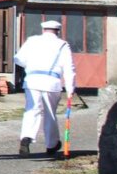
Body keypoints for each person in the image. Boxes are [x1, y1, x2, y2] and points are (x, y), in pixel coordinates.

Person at [14, 19, 76, 156]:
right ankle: (51, 144)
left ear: (43, 30)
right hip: (51, 82)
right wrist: (70, 88)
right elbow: (69, 67)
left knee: (32, 110)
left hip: (32, 81)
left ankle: (26, 137)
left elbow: (18, 59)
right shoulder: (62, 45)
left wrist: (30, 66)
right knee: (50, 113)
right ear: (58, 31)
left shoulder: (32, 41)